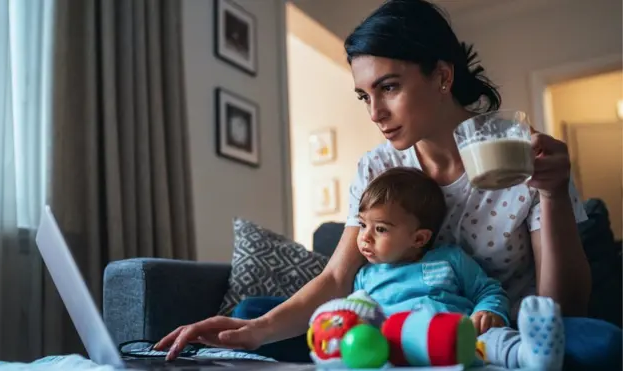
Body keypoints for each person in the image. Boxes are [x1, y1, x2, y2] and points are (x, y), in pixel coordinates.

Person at [155, 0, 621, 368]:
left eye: (389, 87)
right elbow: (338, 279)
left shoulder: (526, 155)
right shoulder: (377, 166)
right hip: (394, 330)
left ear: (441, 76)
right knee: (250, 313)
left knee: (599, 343)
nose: (374, 112)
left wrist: (553, 193)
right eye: (364, 95)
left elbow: (565, 307)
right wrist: (255, 329)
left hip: (498, 338)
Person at [348, 167, 563, 369]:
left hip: (463, 340)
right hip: (402, 347)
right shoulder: (365, 278)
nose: (365, 236)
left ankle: (531, 354)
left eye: (380, 229)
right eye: (362, 225)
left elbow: (488, 290)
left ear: (419, 238)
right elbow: (356, 313)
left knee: (493, 340)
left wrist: (488, 311)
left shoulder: (449, 259)